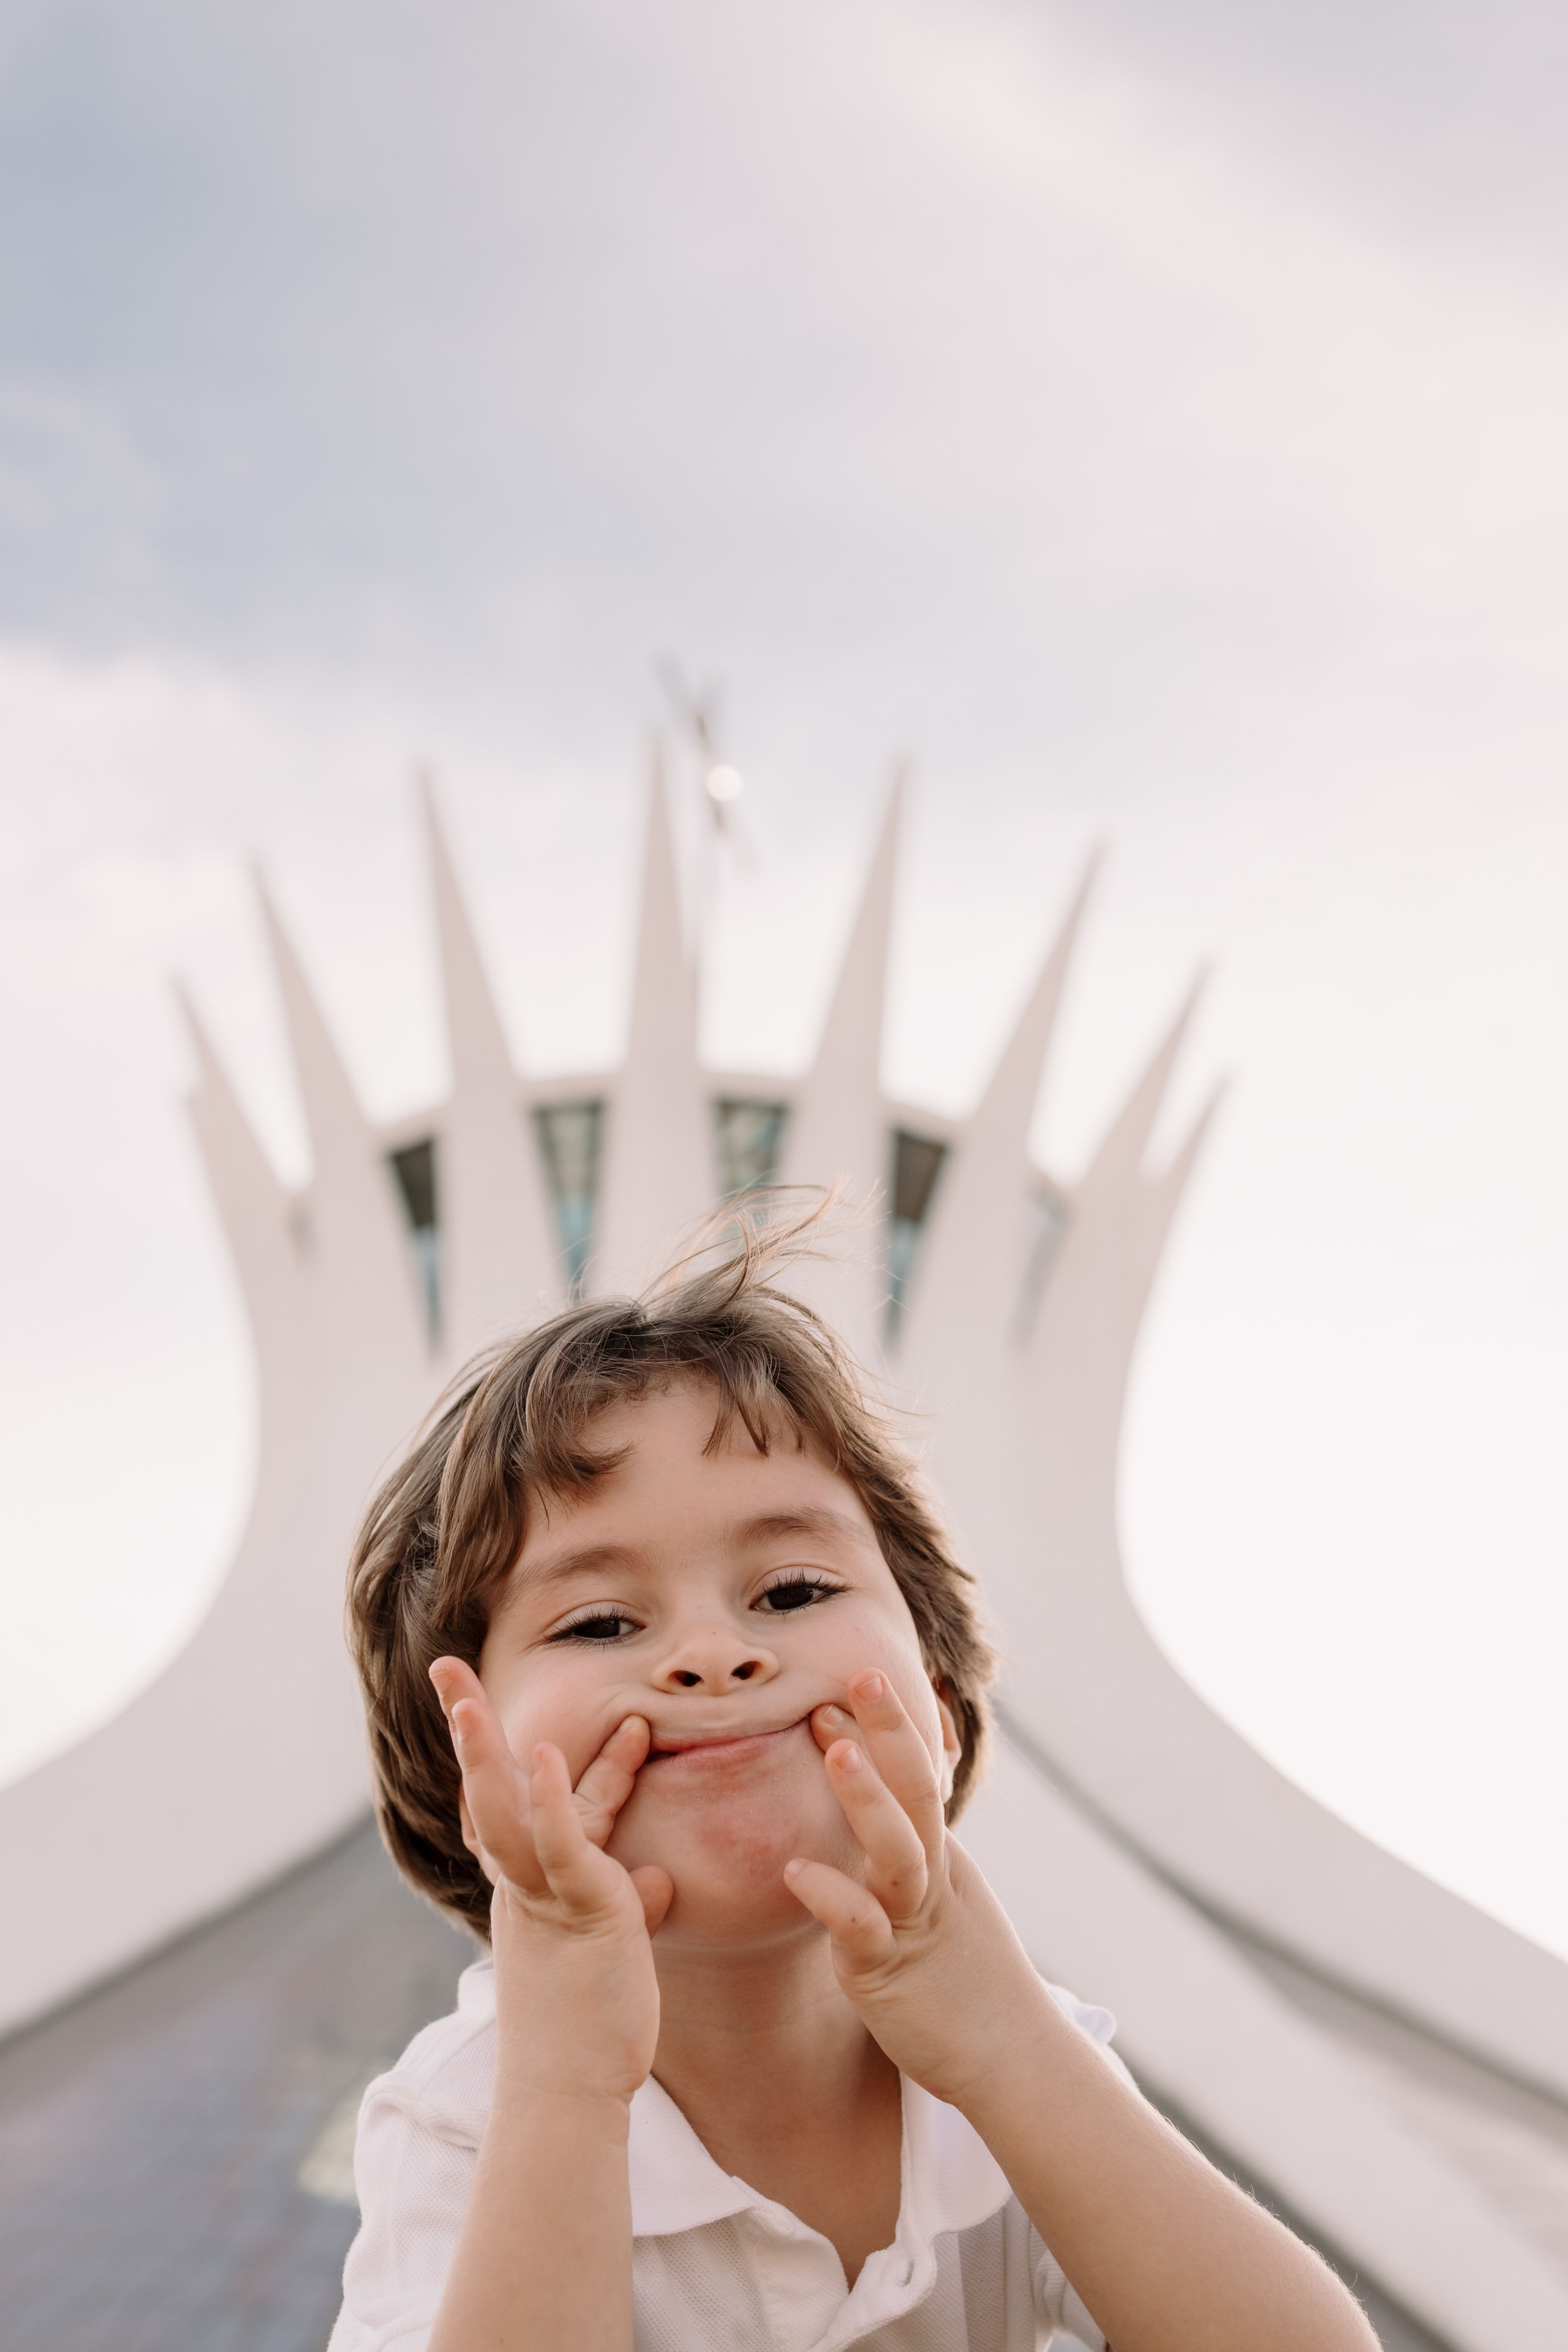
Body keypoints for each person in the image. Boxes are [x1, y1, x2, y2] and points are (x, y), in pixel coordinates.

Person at [329, 1210, 1379, 2352]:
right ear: (469, 1773)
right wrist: (566, 2084)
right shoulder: (466, 2116)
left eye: (792, 1591)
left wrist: (1009, 2050)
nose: (713, 1653)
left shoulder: (1013, 2055)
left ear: (938, 1707)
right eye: (600, 1621)